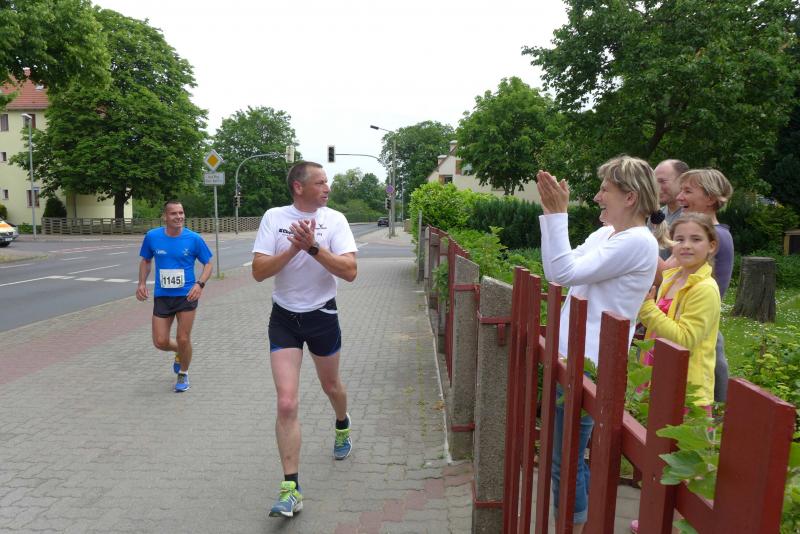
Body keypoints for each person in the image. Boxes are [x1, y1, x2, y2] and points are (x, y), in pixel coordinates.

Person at [536, 155, 666, 532]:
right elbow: (559, 271)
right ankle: (582, 521)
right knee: (566, 457)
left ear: (630, 197)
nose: (597, 197)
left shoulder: (638, 243)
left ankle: (574, 527)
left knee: (566, 460)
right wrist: (553, 215)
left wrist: (557, 215)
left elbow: (562, 271)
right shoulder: (607, 235)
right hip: (573, 359)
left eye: (604, 189)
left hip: (590, 366)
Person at [251, 161, 358, 519]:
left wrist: (313, 247)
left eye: (327, 181)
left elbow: (350, 271)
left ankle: (342, 424)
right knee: (286, 403)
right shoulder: (274, 217)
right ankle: (291, 489)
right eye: (320, 182)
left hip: (322, 315)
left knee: (331, 386)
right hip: (284, 318)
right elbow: (258, 272)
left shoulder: (335, 220)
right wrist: (293, 250)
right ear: (299, 187)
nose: (327, 187)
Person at [639, 213, 720, 411]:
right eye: (679, 239)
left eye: (696, 239)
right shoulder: (671, 278)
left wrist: (648, 309)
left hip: (685, 387)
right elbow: (657, 327)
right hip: (657, 373)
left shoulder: (704, 289)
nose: (686, 245)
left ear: (711, 246)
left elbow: (685, 339)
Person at [136, 200, 213, 393]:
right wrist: (142, 283)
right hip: (163, 295)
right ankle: (180, 351)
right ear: (165, 216)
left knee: (183, 338)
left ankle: (183, 373)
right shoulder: (152, 237)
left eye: (181, 212)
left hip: (187, 295)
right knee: (160, 341)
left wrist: (200, 284)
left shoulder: (194, 238)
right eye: (173, 213)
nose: (179, 217)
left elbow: (208, 264)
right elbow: (146, 260)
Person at [674, 169, 734, 403]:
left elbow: (666, 272)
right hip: (690, 325)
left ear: (710, 198)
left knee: (701, 402)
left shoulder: (715, 236)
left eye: (687, 191)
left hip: (697, 331)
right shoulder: (698, 235)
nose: (679, 197)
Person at [651, 159, 689, 260]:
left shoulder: (692, 217)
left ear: (682, 181)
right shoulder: (655, 215)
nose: (656, 188)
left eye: (662, 181)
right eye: (654, 183)